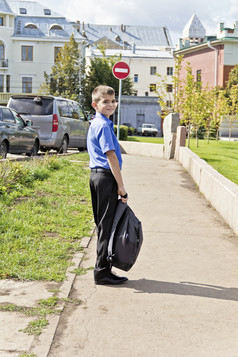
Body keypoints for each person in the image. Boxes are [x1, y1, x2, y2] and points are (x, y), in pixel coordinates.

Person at [87, 85, 128, 285]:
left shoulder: (97, 123)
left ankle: (103, 269)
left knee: (103, 225)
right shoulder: (103, 125)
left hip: (96, 177)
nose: (110, 105)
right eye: (105, 102)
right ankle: (102, 272)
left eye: (112, 101)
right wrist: (121, 186)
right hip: (105, 178)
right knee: (106, 226)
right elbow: (110, 155)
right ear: (95, 105)